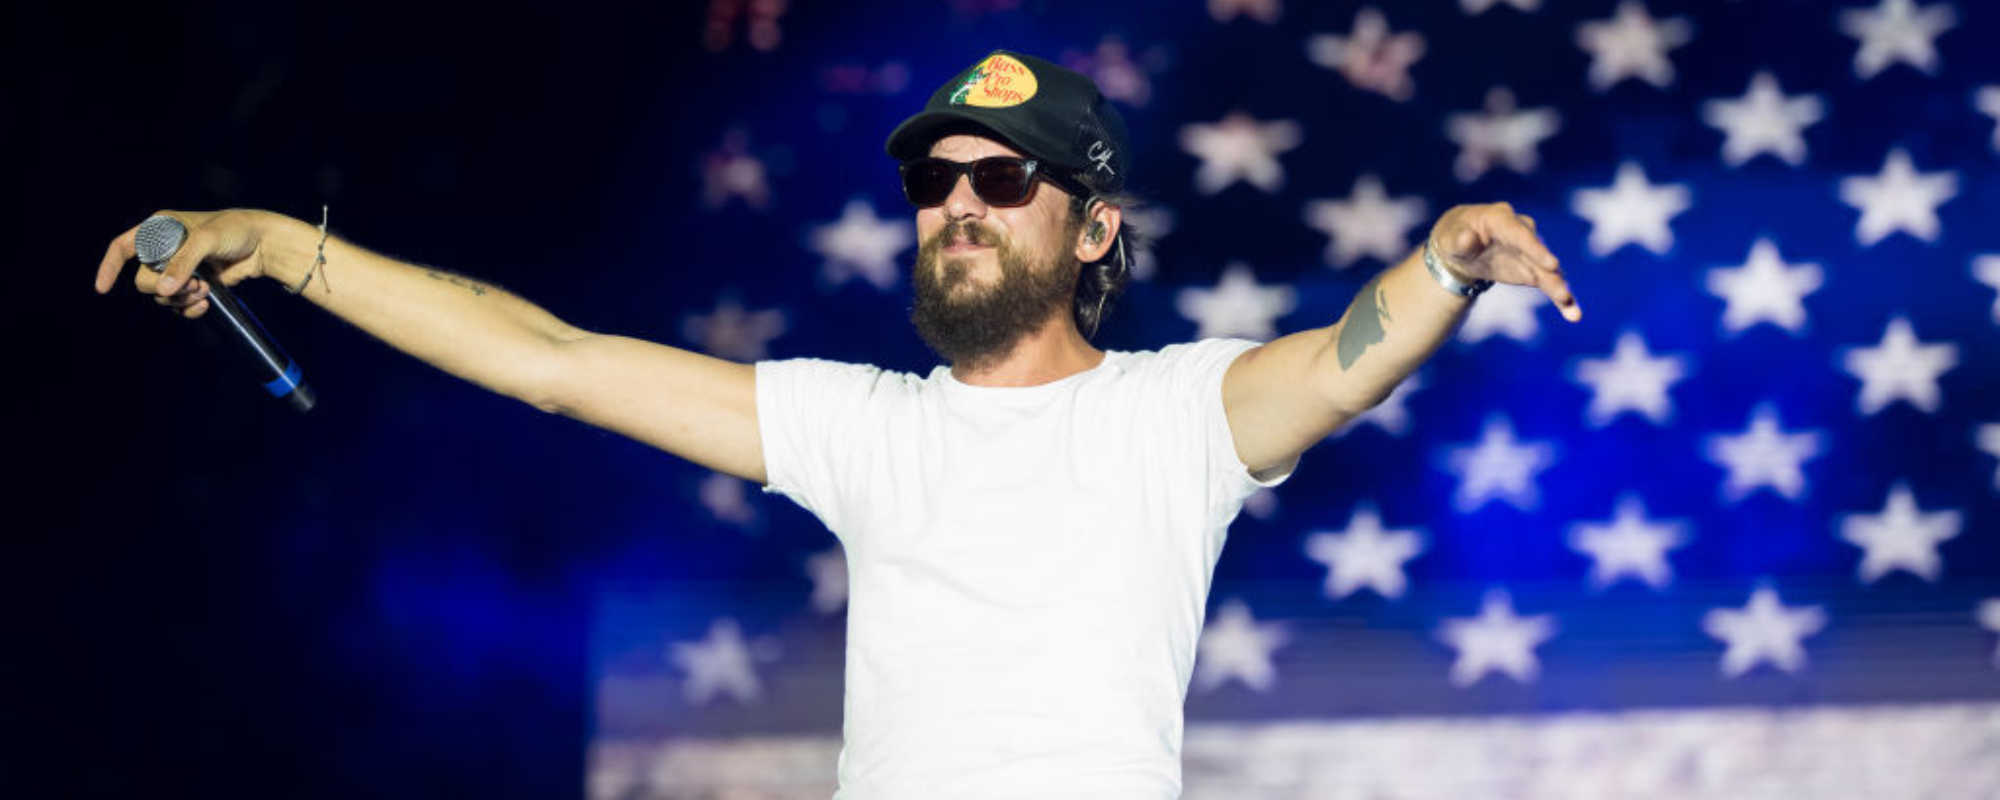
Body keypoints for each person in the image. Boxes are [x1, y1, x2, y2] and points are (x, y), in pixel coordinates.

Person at [96, 49, 1579, 800]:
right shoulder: (863, 425)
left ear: (1094, 226)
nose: (957, 209)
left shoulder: (1169, 416)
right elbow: (549, 359)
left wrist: (1444, 264)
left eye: (1003, 185)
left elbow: (1337, 361)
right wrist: (284, 244)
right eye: (936, 186)